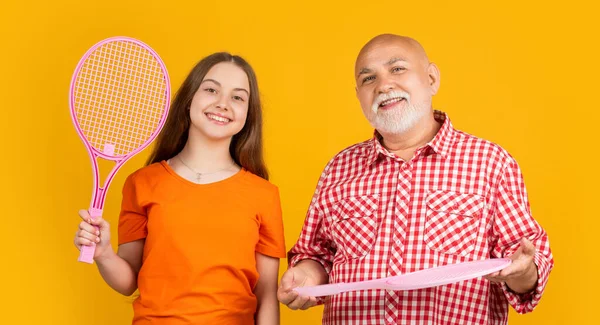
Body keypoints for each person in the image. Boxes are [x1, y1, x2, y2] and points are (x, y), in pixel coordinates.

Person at [277, 34, 553, 325]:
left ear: (432, 78)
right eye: (369, 79)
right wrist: (305, 276)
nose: (383, 85)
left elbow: (524, 267)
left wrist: (522, 271)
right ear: (358, 95)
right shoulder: (339, 168)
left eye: (397, 69)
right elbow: (316, 255)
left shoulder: (490, 162)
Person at [74, 52, 286, 325]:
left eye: (237, 97)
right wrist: (103, 253)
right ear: (189, 101)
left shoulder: (264, 194)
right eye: (211, 89)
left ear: (248, 114)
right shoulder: (142, 183)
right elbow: (128, 282)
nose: (222, 104)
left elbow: (266, 296)